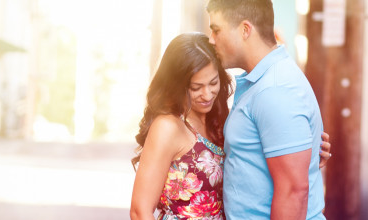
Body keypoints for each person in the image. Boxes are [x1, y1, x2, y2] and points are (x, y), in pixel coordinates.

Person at [129, 32, 331, 219]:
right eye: (196, 87)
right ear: (176, 84)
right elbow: (140, 211)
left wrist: (306, 153)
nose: (207, 95)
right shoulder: (168, 127)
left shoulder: (223, 120)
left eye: (213, 82)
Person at [206, 0, 327, 219]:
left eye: (216, 30)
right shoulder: (265, 82)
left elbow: (293, 192)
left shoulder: (275, 89)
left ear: (245, 30)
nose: (211, 39)